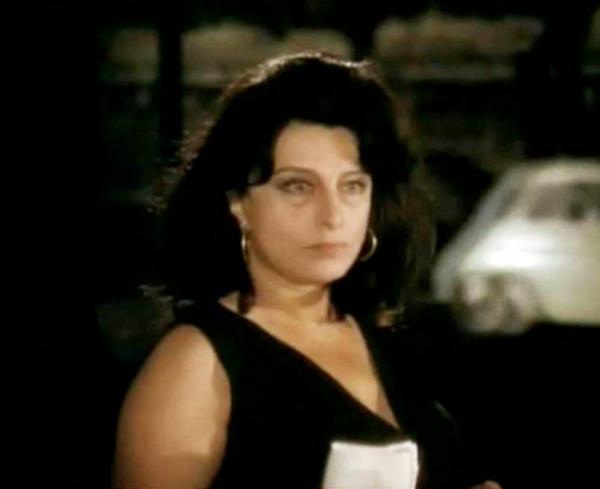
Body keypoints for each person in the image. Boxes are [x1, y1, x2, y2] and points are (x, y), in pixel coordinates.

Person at [113, 52, 502, 489]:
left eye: (352, 186)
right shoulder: (196, 362)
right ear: (238, 202)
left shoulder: (388, 338)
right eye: (298, 186)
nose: (332, 216)